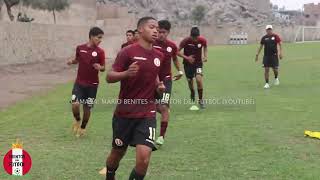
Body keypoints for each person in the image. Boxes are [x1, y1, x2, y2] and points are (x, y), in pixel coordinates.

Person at [104, 17, 165, 180]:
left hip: (147, 113)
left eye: (157, 28)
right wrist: (126, 74)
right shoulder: (127, 52)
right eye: (152, 27)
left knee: (144, 159)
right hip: (124, 114)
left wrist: (159, 88)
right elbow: (109, 77)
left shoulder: (159, 55)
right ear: (140, 30)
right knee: (117, 153)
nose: (156, 31)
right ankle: (110, 175)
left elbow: (154, 79)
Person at [67, 27, 105, 137]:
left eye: (101, 38)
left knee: (87, 108)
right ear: (91, 36)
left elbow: (103, 68)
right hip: (79, 83)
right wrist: (72, 62)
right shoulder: (80, 48)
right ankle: (78, 120)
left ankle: (83, 128)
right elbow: (77, 59)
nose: (100, 40)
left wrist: (100, 67)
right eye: (99, 37)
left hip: (92, 85)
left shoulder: (100, 52)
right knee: (75, 103)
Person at [153, 20, 183, 146]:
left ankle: (161, 136)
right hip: (151, 80)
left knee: (164, 107)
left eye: (163, 32)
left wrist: (180, 71)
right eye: (159, 32)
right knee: (148, 106)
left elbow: (175, 59)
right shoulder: (151, 44)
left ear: (168, 32)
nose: (160, 34)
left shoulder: (171, 46)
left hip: (166, 80)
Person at [178, 26, 208, 110]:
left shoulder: (202, 40)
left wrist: (205, 56)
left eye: (196, 38)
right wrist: (187, 58)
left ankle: (201, 100)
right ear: (190, 36)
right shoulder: (186, 41)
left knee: (199, 79)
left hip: (198, 63)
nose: (195, 40)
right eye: (193, 38)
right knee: (190, 81)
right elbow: (176, 51)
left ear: (199, 36)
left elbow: (205, 47)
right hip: (188, 64)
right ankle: (192, 92)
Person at [256, 25, 283, 89]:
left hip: (274, 56)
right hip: (266, 56)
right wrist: (257, 54)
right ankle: (267, 83)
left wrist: (281, 53)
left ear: (272, 30)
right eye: (268, 29)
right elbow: (260, 46)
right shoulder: (264, 38)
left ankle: (276, 78)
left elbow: (280, 44)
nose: (269, 30)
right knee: (266, 69)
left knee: (275, 69)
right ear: (266, 30)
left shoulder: (275, 36)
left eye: (270, 29)